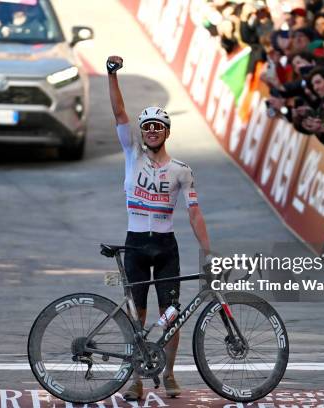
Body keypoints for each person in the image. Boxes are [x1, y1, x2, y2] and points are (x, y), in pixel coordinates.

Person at [106, 55, 211, 400]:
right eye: (147, 127)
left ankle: (169, 374)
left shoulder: (182, 170)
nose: (151, 131)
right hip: (136, 243)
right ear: (142, 132)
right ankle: (136, 379)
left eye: (158, 127)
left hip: (166, 246)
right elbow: (120, 114)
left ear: (167, 132)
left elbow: (195, 213)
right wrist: (112, 75)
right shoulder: (131, 155)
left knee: (171, 315)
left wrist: (208, 251)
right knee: (137, 315)